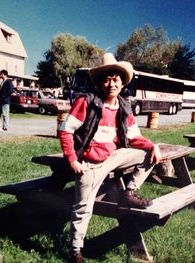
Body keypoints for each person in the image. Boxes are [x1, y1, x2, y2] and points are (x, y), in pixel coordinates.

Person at [58, 53, 164, 263]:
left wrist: (152, 146)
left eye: (116, 79)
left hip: (114, 157)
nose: (111, 83)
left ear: (123, 83)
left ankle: (129, 191)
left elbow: (134, 137)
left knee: (148, 155)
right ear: (100, 82)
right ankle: (75, 250)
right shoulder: (86, 102)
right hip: (89, 163)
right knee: (83, 208)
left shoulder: (124, 106)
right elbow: (65, 130)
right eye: (107, 79)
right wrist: (72, 159)